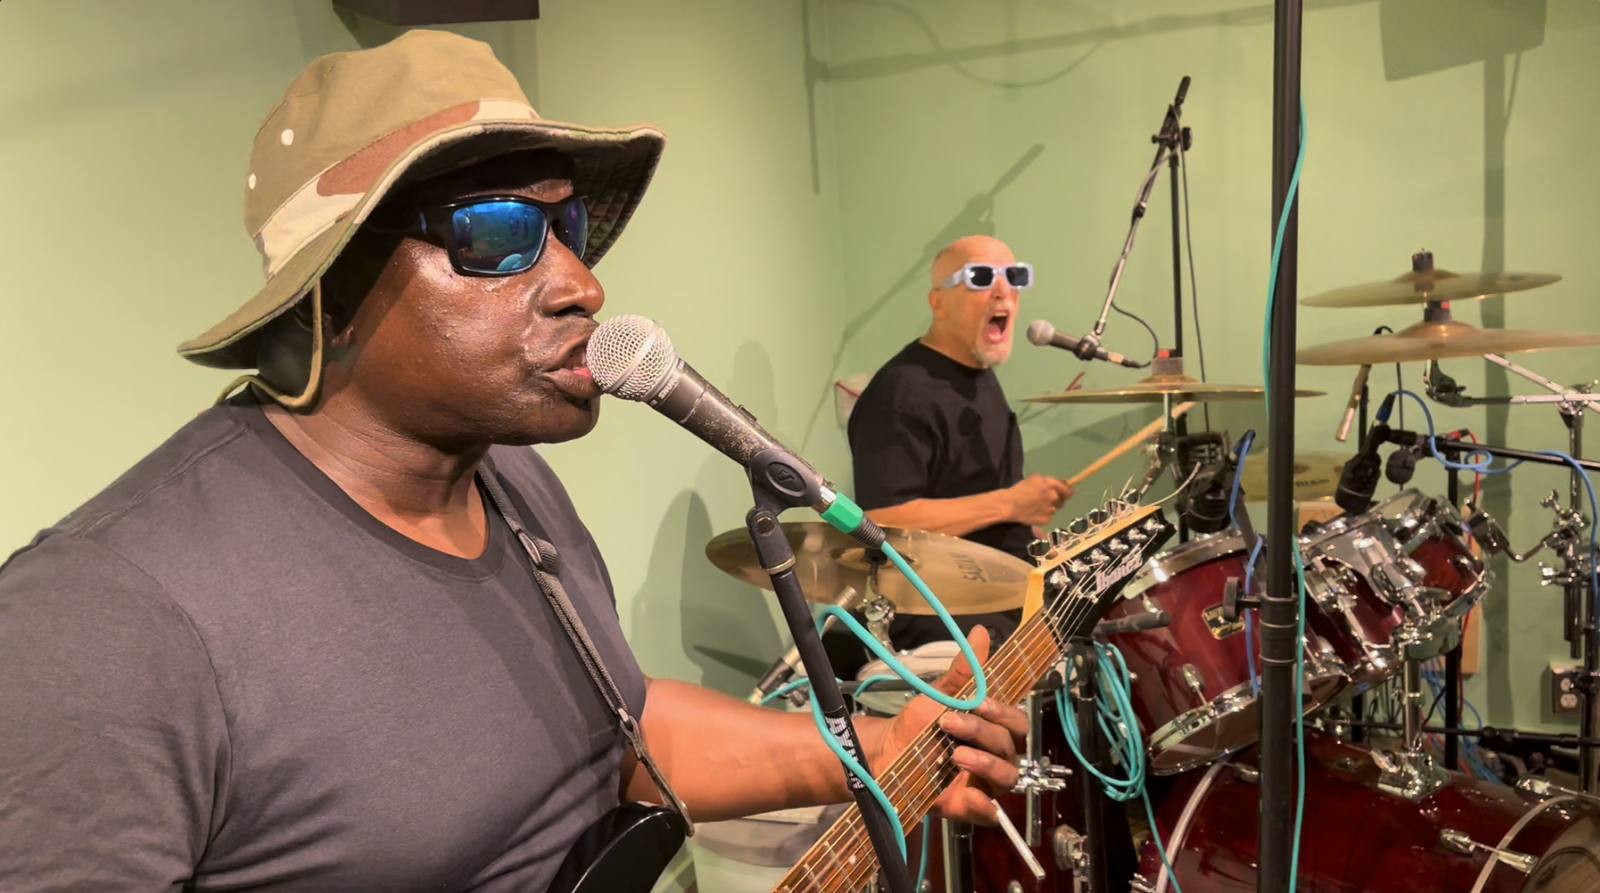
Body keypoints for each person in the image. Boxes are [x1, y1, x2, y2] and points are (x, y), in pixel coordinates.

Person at [0, 32, 1027, 892]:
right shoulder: (107, 622)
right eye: (498, 233)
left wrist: (877, 750)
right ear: (333, 288)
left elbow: (613, 732)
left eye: (568, 226)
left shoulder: (511, 480)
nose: (583, 284)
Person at [832, 236, 1074, 674]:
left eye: (1014, 276)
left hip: (994, 584)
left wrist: (1026, 523)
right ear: (937, 303)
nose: (1002, 291)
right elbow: (882, 521)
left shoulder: (979, 374)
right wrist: (1009, 504)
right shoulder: (901, 393)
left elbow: (969, 490)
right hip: (934, 607)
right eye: (980, 277)